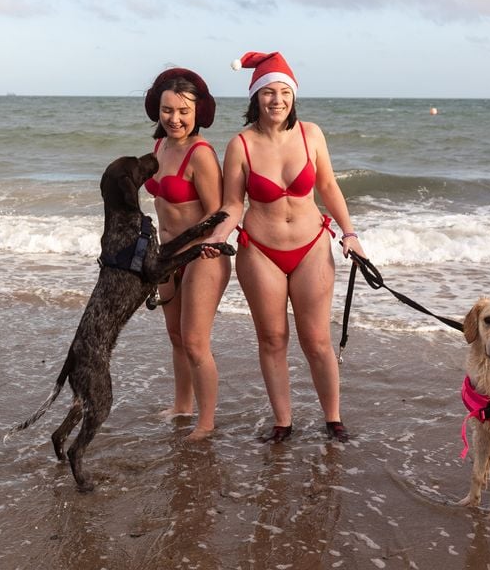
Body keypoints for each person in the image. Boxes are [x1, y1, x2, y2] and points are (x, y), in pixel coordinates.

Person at [206, 51, 366, 443]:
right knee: (273, 338)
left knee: (316, 339)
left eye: (284, 92)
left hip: (311, 245)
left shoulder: (311, 134)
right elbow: (232, 205)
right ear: (255, 97)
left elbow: (328, 187)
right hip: (260, 250)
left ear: (293, 96)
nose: (276, 100)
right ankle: (283, 421)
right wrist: (216, 236)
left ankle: (333, 418)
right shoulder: (240, 145)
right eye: (268, 93)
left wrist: (350, 233)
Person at [143, 67, 230, 441]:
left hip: (201, 257)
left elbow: (217, 213)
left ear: (198, 113)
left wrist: (197, 252)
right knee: (176, 336)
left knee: (195, 341)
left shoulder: (202, 155)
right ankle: (182, 405)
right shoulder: (160, 147)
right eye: (167, 110)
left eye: (182, 111)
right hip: (166, 256)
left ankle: (206, 423)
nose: (174, 119)